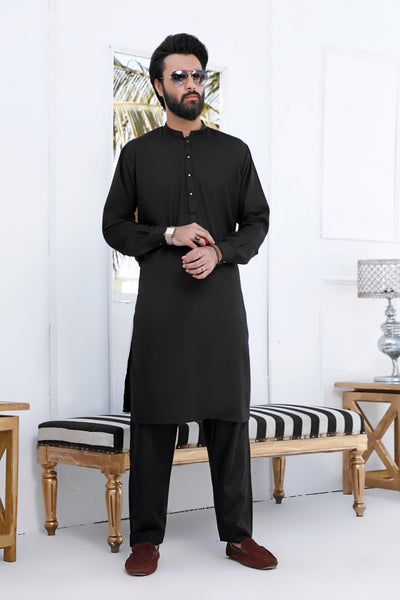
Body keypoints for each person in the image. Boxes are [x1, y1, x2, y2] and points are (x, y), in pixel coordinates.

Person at [103, 33, 277, 576]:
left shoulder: (234, 153)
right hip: (162, 308)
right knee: (154, 419)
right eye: (178, 76)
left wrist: (220, 252)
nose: (191, 84)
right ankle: (145, 540)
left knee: (228, 419)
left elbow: (257, 222)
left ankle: (239, 536)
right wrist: (169, 234)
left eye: (197, 74)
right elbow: (113, 227)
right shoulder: (137, 155)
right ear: (158, 85)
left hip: (220, 308)